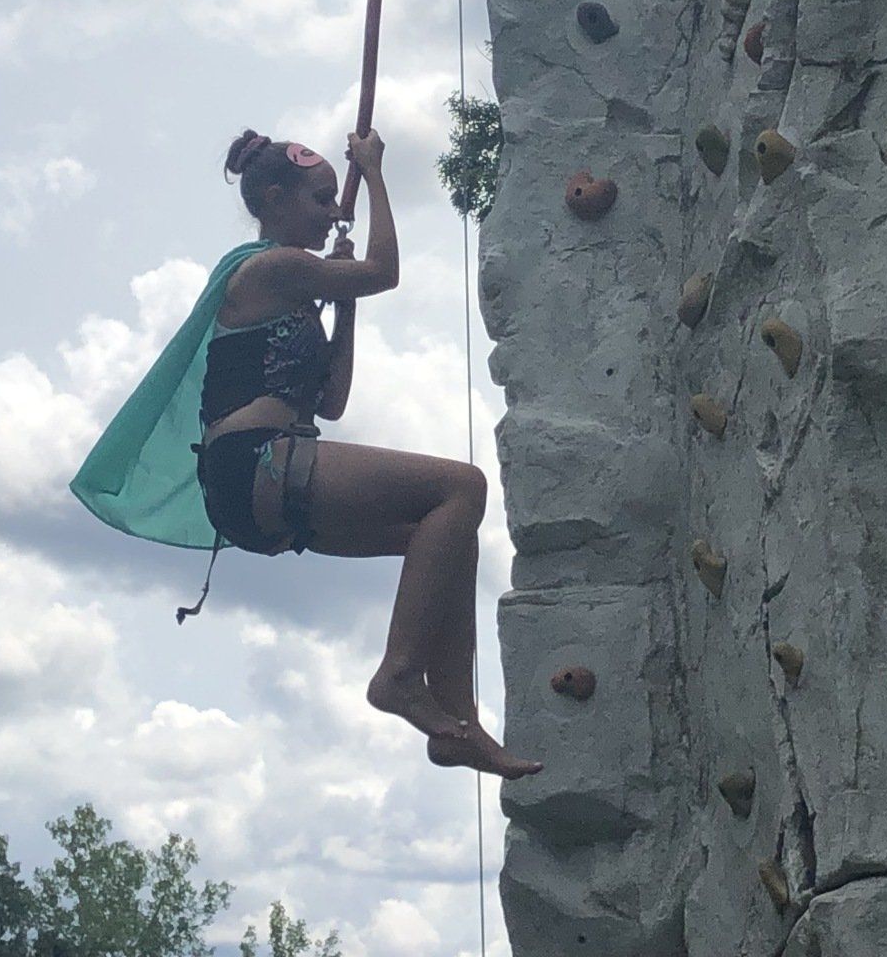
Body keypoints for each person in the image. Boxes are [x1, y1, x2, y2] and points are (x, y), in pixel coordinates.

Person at [73, 125, 540, 780]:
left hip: (263, 482)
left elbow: (332, 400)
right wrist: (373, 171)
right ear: (274, 198)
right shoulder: (270, 267)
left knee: (447, 535)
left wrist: (341, 307)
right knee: (460, 488)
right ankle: (401, 676)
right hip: (258, 462)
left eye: (337, 198)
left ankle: (456, 715)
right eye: (323, 200)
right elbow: (384, 273)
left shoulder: (296, 288)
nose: (334, 213)